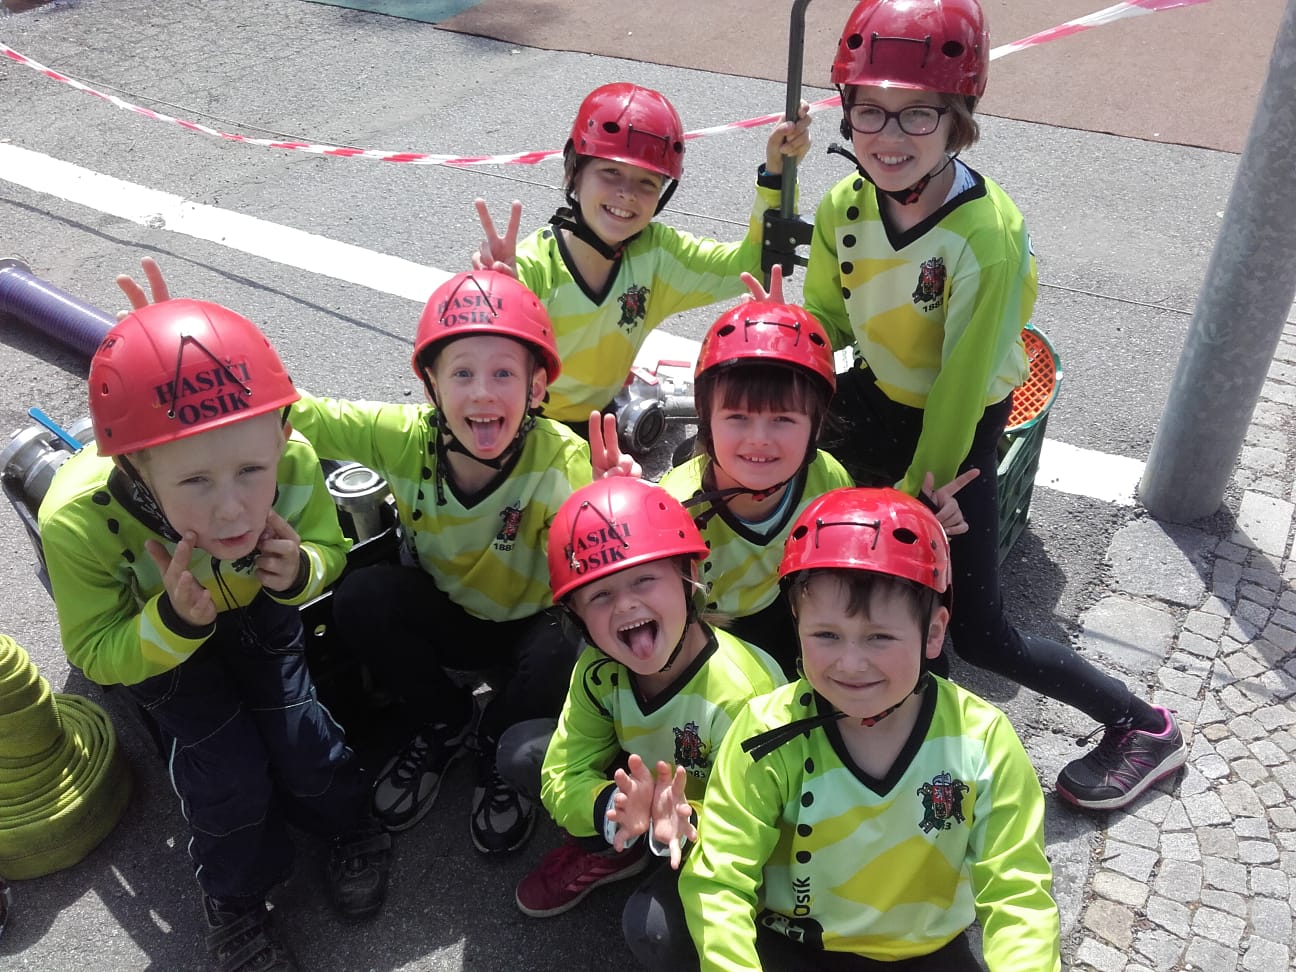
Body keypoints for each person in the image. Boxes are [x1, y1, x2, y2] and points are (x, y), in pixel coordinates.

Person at [803, 0, 1185, 810]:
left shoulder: (987, 234)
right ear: (846, 110)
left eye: (918, 113)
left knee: (976, 628)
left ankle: (1141, 726)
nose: (889, 135)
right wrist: (775, 348)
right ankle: (871, 724)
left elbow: (960, 379)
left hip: (958, 422)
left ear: (958, 119)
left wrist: (913, 497)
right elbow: (826, 318)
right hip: (877, 391)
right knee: (794, 519)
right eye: (870, 110)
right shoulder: (844, 205)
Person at [39, 292, 389, 972]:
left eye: (251, 472)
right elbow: (94, 649)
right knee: (226, 776)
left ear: (280, 436)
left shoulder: (293, 460)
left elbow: (328, 549)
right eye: (195, 480)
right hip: (162, 645)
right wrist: (169, 623)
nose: (232, 510)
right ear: (134, 467)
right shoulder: (77, 520)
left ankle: (349, 823)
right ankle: (235, 898)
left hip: (260, 611)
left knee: (304, 741)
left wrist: (300, 571)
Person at [676, 487, 1061, 971]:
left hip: (922, 951)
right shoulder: (767, 730)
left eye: (879, 637)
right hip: (795, 943)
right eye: (826, 635)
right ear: (796, 623)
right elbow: (721, 878)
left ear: (934, 633)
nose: (851, 663)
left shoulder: (982, 739)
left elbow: (1017, 893)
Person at [287, 270, 601, 857]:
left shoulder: (562, 460)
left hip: (530, 623)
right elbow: (302, 414)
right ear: (430, 383)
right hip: (449, 612)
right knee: (360, 598)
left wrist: (609, 507)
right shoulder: (406, 437)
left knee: (572, 639)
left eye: (504, 373)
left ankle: (497, 737)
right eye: (461, 373)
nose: (482, 393)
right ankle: (445, 719)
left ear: (537, 387)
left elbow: (595, 567)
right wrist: (210, 369)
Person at [494, 477, 784, 960]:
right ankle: (620, 846)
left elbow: (767, 829)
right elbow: (561, 773)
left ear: (689, 577)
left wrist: (687, 826)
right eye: (599, 595)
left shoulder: (745, 696)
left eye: (645, 580)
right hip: (640, 795)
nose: (626, 604)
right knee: (520, 753)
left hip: (710, 826)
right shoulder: (598, 671)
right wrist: (613, 809)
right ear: (577, 618)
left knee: (652, 931)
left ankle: (642, 849)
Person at [660, 269, 972, 676]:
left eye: (783, 419)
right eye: (737, 417)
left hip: (791, 605)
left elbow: (857, 571)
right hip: (715, 634)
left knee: (923, 665)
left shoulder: (828, 479)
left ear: (817, 423)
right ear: (705, 419)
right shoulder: (675, 511)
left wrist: (920, 524)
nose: (759, 439)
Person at [472, 81, 812, 432]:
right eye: (611, 172)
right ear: (574, 171)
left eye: (647, 183)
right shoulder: (533, 265)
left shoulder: (657, 256)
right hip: (522, 423)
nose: (627, 194)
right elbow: (479, 357)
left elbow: (750, 265)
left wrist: (776, 175)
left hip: (596, 421)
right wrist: (498, 291)